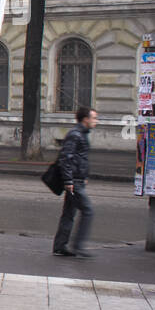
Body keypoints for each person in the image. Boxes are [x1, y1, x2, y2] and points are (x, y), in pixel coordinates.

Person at [53, 106, 97, 258]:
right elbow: (66, 158)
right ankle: (78, 246)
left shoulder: (82, 134)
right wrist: (68, 180)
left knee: (69, 213)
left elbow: (79, 158)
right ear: (85, 119)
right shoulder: (76, 134)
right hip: (74, 182)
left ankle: (60, 245)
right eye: (94, 118)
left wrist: (84, 176)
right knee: (88, 211)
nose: (95, 121)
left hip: (78, 180)